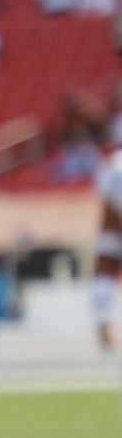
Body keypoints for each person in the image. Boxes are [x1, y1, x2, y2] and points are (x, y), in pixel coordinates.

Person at [93, 138, 122, 352]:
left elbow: (107, 206)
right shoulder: (113, 165)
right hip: (113, 227)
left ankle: (104, 323)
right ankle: (104, 324)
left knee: (103, 267)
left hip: (112, 228)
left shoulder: (111, 164)